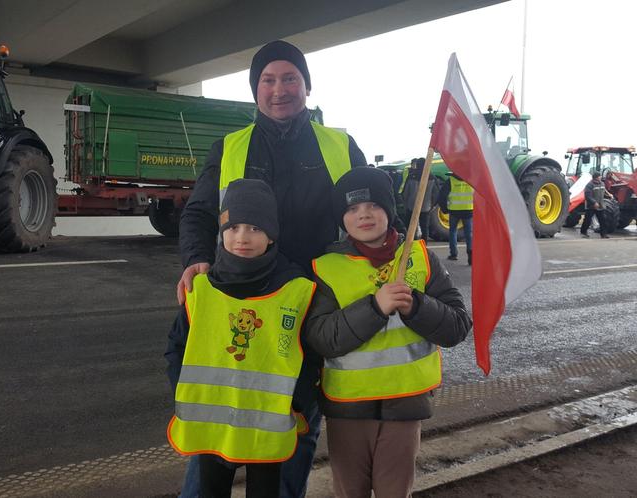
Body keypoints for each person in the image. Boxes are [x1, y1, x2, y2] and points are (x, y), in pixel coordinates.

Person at [174, 40, 367, 498]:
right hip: (236, 302)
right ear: (255, 90)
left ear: (306, 85)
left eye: (289, 78)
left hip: (309, 307)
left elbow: (371, 208)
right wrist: (195, 258)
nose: (279, 90)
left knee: (292, 426)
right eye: (268, 80)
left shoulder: (339, 145)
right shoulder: (231, 147)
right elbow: (200, 213)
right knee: (214, 434)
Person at [304, 167, 471, 498]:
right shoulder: (325, 267)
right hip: (348, 410)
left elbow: (457, 327)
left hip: (404, 409)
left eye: (373, 206)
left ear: (389, 210)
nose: (363, 214)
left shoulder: (422, 259)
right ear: (342, 218)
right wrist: (374, 308)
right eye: (351, 209)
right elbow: (321, 337)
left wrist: (417, 306)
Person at [166, 179, 316, 498]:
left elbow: (311, 354)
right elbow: (176, 348)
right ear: (221, 233)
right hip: (212, 427)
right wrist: (184, 393)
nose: (242, 238)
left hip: (268, 429)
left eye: (254, 228)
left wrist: (299, 403)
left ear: (271, 234)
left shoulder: (295, 289)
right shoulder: (201, 289)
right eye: (232, 228)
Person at [438, 172, 473, 265]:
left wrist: (444, 209)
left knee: (453, 232)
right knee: (469, 234)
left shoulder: (451, 181)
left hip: (454, 211)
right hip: (468, 210)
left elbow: (442, 196)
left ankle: (454, 254)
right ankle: (471, 257)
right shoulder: (471, 180)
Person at [399, 157, 436, 241]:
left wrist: (406, 204)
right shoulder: (431, 177)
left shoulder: (412, 176)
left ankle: (412, 244)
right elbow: (436, 193)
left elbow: (405, 192)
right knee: (424, 228)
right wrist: (432, 205)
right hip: (426, 207)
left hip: (411, 206)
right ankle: (424, 245)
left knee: (410, 227)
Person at [580, 171, 611, 238]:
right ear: (596, 177)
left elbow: (604, 191)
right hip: (591, 206)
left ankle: (603, 234)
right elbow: (588, 196)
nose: (601, 177)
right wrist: (594, 202)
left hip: (600, 205)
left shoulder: (602, 183)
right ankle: (583, 232)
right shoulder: (589, 185)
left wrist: (609, 195)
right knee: (587, 220)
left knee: (603, 220)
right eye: (599, 176)